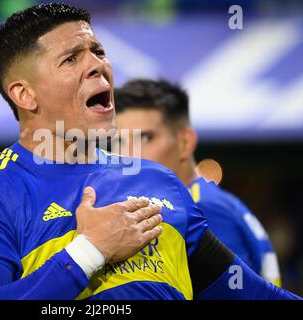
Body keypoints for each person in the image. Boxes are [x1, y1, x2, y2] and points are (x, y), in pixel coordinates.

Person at [0, 3, 300, 300]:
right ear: (25, 94)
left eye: (97, 51)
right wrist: (90, 251)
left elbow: (248, 293)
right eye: (71, 59)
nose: (98, 65)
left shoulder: (157, 180)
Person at [115, 78, 282, 286]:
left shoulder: (202, 210)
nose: (128, 154)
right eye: (118, 141)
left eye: (146, 138)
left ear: (185, 142)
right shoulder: (205, 201)